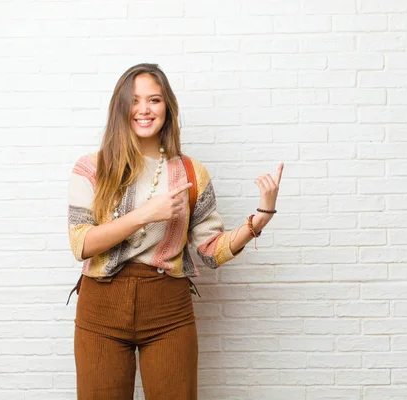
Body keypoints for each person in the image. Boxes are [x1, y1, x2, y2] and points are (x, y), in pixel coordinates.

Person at [66, 63, 283, 400]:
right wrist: (145, 215)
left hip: (168, 310)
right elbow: (81, 244)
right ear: (120, 107)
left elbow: (210, 251)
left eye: (154, 100)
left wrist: (260, 219)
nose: (143, 109)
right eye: (134, 100)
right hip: (101, 310)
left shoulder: (191, 172)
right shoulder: (92, 167)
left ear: (167, 108)